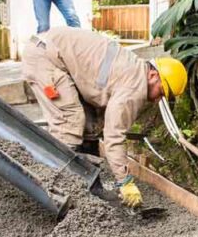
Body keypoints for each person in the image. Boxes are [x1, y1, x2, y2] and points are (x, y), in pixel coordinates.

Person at [21, 28, 187, 208]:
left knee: (91, 125)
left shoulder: (136, 69)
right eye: (161, 92)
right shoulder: (134, 88)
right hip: (44, 58)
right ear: (153, 75)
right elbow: (114, 137)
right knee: (70, 121)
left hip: (53, 53)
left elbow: (103, 113)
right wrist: (125, 182)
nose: (157, 99)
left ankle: (93, 188)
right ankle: (54, 190)